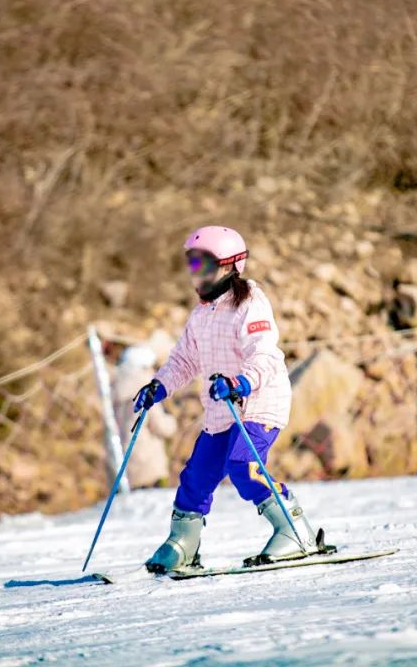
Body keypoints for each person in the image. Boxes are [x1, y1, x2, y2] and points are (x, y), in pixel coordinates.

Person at [133, 226, 323, 573]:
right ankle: (183, 544)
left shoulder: (250, 303)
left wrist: (241, 382)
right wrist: (158, 387)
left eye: (205, 263)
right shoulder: (201, 315)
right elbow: (183, 361)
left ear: (231, 266)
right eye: (191, 264)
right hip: (222, 406)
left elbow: (265, 355)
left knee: (243, 466)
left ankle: (296, 532)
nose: (197, 273)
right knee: (197, 475)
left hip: (259, 400)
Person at [111, 343, 177, 488]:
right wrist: (172, 420)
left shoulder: (116, 390)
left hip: (124, 464)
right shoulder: (146, 389)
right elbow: (161, 426)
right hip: (149, 464)